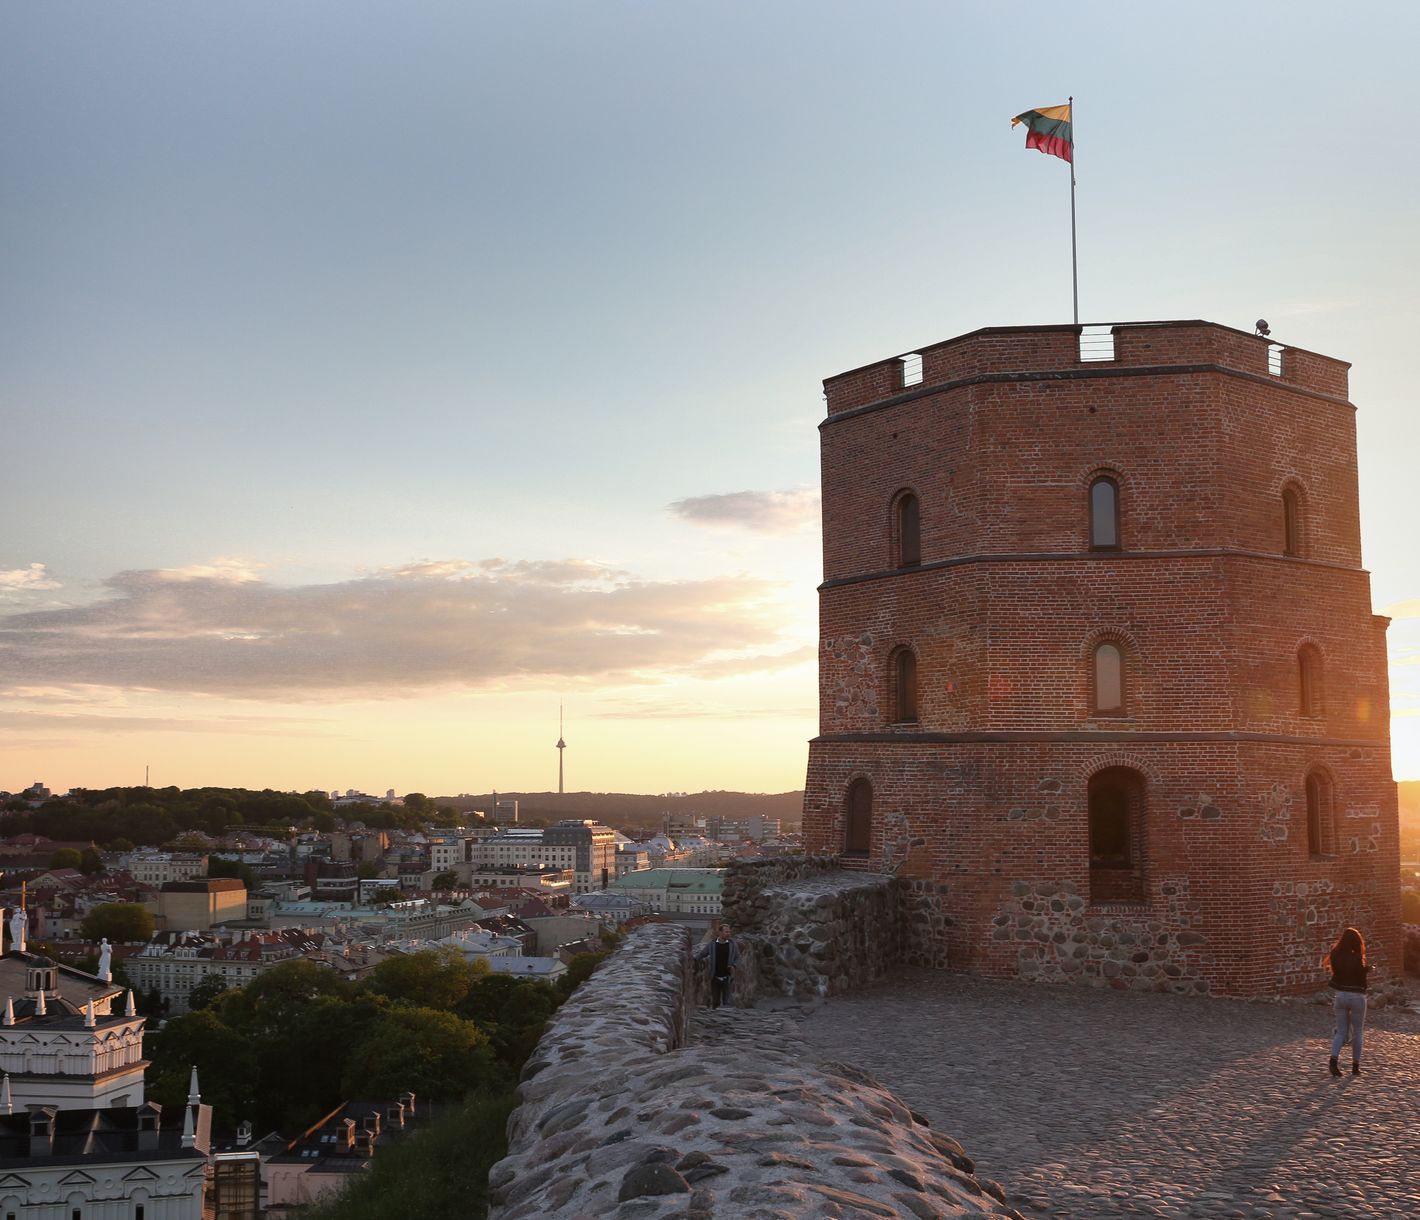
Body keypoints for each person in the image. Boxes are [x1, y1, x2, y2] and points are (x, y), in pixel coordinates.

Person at [1324, 926, 1369, 1077]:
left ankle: (1333, 1060)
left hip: (1341, 996)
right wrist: (1367, 969)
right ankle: (1355, 1067)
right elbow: (1359, 976)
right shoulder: (1357, 957)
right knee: (1358, 1032)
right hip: (1357, 997)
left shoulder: (1335, 955)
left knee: (1341, 1031)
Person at [693, 923, 740, 1010]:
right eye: (726, 932)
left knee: (727, 1002)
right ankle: (716, 1020)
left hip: (727, 977)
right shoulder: (712, 944)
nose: (728, 934)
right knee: (715, 1002)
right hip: (715, 977)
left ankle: (726, 1021)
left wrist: (734, 965)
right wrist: (694, 959)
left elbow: (737, 957)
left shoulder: (732, 944)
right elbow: (703, 953)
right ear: (720, 932)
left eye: (729, 932)